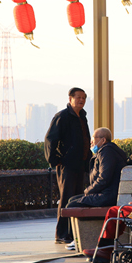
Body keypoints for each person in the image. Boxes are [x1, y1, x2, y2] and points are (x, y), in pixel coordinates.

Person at [44, 87, 92, 245]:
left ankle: (74, 233)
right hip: (67, 165)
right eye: (78, 97)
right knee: (66, 199)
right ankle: (62, 234)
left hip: (80, 164)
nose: (81, 100)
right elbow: (51, 139)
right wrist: (55, 159)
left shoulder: (83, 116)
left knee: (77, 199)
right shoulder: (62, 116)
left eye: (84, 98)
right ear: (70, 99)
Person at [66, 128, 127, 208]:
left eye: (93, 139)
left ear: (103, 140)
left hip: (108, 195)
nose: (91, 142)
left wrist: (88, 190)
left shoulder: (107, 152)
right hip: (105, 193)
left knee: (71, 205)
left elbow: (104, 179)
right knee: (71, 200)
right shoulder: (105, 151)